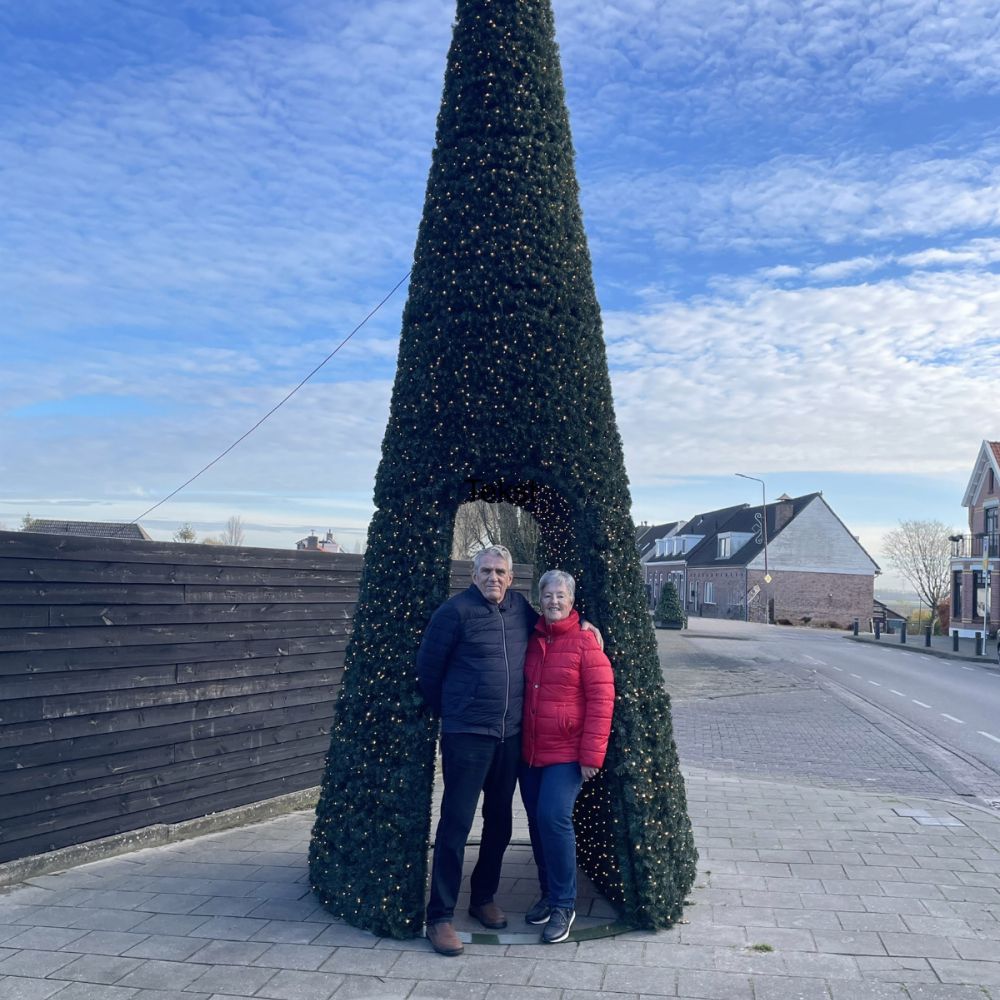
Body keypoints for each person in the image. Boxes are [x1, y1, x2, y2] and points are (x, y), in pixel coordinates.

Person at [417, 545, 601, 956]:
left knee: (499, 823)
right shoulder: (453, 613)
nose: (493, 578)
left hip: (510, 739)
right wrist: (457, 713)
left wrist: (587, 625)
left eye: (500, 571)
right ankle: (440, 916)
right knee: (455, 825)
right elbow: (428, 674)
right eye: (485, 571)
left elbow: (557, 624)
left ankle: (483, 898)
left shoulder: (521, 610)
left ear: (511, 575)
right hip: (468, 737)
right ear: (473, 574)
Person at [519, 569, 615, 944]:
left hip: (567, 754)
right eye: (548, 596)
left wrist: (592, 753)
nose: (554, 602)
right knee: (536, 821)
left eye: (561, 596)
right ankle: (547, 893)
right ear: (539, 600)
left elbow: (602, 699)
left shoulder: (586, 643)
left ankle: (564, 903)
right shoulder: (532, 637)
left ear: (572, 601)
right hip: (530, 753)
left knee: (553, 817)